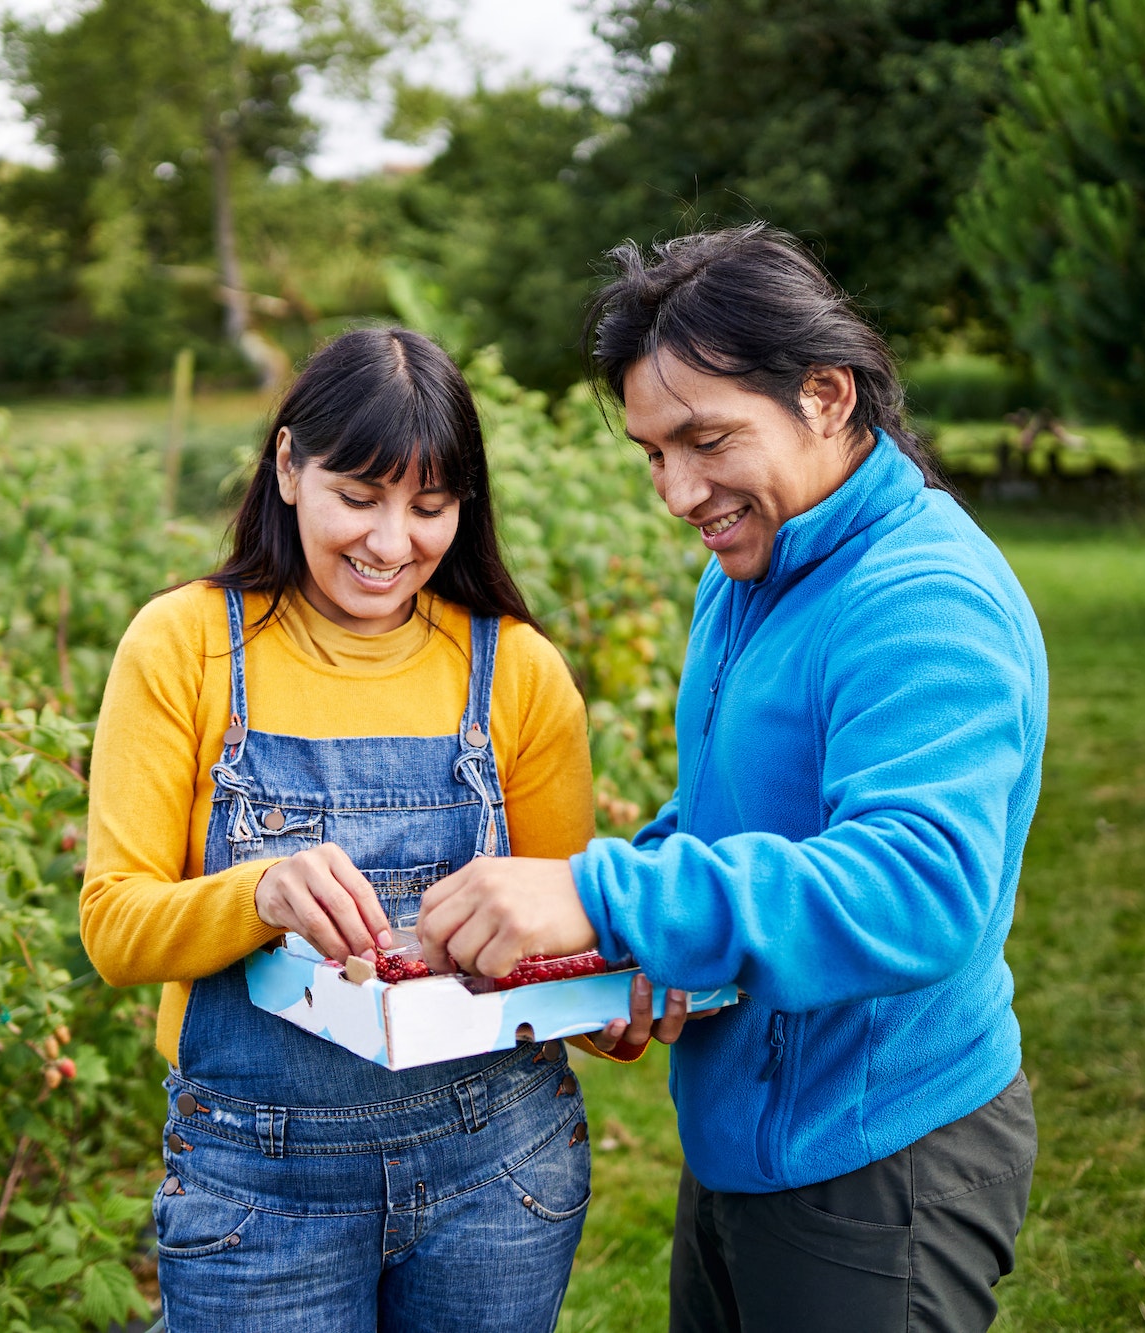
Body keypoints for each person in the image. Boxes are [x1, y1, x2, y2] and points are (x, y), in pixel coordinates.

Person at [416, 226, 1047, 1332]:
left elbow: (920, 888)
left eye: (705, 439)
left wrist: (607, 894)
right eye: (653, 452)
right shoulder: (753, 565)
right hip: (747, 1136)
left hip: (870, 1160)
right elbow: (732, 818)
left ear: (824, 396)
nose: (676, 490)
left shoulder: (919, 601)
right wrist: (619, 946)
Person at [80, 328, 633, 1333]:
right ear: (289, 466)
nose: (391, 545)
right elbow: (114, 928)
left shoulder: (513, 670)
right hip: (258, 1181)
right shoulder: (186, 646)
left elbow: (567, 938)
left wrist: (620, 993)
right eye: (359, 496)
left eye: (429, 508)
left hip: (496, 1163)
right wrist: (256, 891)